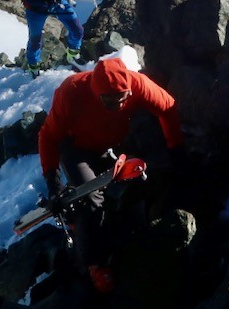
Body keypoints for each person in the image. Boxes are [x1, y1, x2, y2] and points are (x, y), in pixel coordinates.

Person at [36, 55, 185, 293]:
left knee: (133, 182)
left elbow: (168, 107)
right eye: (108, 101)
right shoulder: (72, 92)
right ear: (96, 93)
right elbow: (48, 137)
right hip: (76, 148)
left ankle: (117, 224)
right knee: (92, 201)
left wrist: (176, 151)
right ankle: (95, 263)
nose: (116, 105)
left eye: (121, 99)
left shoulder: (137, 84)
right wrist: (52, 183)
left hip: (112, 143)